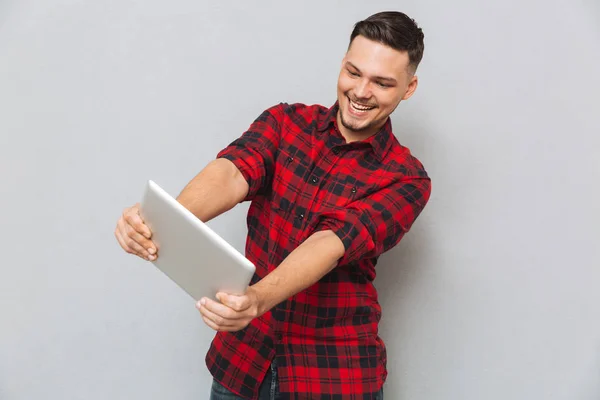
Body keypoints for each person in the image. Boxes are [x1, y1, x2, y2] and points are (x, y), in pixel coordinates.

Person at [115, 11, 431, 400]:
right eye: (354, 72)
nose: (362, 91)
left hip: (332, 377)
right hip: (243, 364)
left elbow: (330, 244)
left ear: (409, 87)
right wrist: (163, 220)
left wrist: (257, 300)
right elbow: (231, 174)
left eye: (382, 83)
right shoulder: (285, 122)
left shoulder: (406, 179)